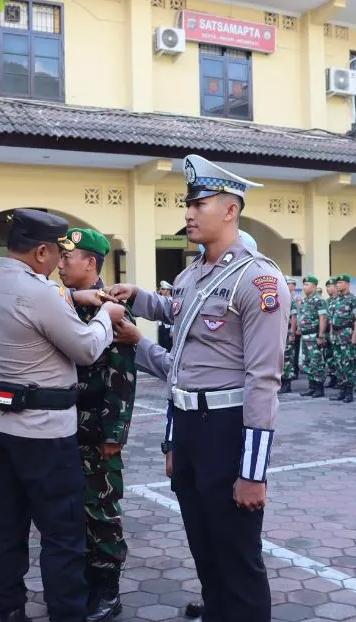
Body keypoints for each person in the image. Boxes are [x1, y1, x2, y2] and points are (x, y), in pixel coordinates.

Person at [108, 154, 290, 622]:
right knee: (204, 543)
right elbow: (184, 340)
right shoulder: (193, 275)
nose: (188, 213)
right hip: (190, 428)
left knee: (236, 554)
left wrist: (253, 472)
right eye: (187, 203)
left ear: (230, 210)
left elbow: (263, 380)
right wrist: (173, 439)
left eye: (199, 203)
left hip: (227, 430)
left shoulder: (259, 280)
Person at [0, 208, 128, 622]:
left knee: (5, 525)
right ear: (40, 251)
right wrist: (106, 318)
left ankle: (9, 608)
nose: (60, 261)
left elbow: (25, 305)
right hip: (44, 433)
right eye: (57, 253)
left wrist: (76, 298)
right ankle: (66, 612)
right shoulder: (41, 292)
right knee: (62, 533)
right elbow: (86, 348)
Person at [58, 227, 137, 622]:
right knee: (71, 512)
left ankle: (107, 591)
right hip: (59, 428)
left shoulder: (115, 310)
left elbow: (123, 376)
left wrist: (113, 434)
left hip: (95, 431)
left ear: (90, 263)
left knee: (100, 512)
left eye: (67, 260)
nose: (59, 265)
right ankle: (83, 584)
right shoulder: (62, 305)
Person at [327, 274, 356, 403]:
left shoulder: (353, 300)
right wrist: (331, 333)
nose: (338, 285)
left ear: (347, 284)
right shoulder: (335, 301)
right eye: (337, 283)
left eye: (341, 282)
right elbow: (331, 320)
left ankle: (349, 392)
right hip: (336, 335)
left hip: (347, 333)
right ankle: (341, 390)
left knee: (348, 363)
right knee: (338, 363)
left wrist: (354, 336)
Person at [297, 275, 328, 398]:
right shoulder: (305, 300)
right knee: (307, 362)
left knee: (317, 362)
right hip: (305, 336)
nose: (305, 287)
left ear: (314, 286)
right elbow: (302, 316)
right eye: (304, 285)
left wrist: (321, 335)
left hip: (314, 335)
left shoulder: (319, 300)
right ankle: (312, 387)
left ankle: (319, 388)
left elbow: (323, 318)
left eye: (307, 284)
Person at [281, 276, 300, 394]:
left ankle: (287, 383)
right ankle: (281, 381)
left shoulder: (289, 299)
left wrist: (292, 332)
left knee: (287, 358)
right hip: (279, 332)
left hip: (287, 332)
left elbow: (294, 317)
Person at [324, 277, 339, 389]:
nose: (328, 289)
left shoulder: (340, 300)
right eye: (327, 287)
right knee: (329, 357)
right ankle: (332, 378)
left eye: (330, 286)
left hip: (337, 332)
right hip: (327, 333)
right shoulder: (327, 302)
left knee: (337, 356)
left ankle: (339, 379)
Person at [157, 280, 174, 351]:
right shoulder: (160, 299)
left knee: (169, 348)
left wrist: (173, 330)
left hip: (169, 328)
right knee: (161, 347)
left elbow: (175, 317)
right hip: (161, 326)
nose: (161, 291)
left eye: (163, 289)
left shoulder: (173, 300)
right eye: (161, 289)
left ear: (168, 290)